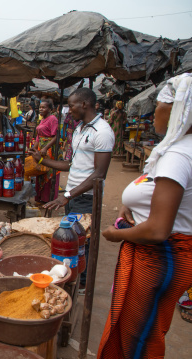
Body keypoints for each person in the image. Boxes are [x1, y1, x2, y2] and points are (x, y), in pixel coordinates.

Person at [98, 73, 192, 359]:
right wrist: (134, 206)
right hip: (167, 254)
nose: (152, 114)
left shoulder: (179, 156)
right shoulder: (179, 150)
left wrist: (117, 235)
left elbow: (157, 231)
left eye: (160, 105)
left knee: (139, 334)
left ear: (179, 109)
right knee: (139, 327)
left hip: (159, 257)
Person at [29, 88, 114, 292]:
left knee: (83, 241)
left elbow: (99, 174)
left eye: (71, 105)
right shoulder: (80, 129)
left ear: (84, 104)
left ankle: (82, 283)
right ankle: (74, 279)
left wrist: (67, 195)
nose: (68, 110)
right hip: (73, 195)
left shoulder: (102, 131)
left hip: (85, 197)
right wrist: (42, 160)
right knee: (72, 241)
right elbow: (71, 165)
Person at [31, 99, 59, 203]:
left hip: (49, 150)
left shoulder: (53, 119)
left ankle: (48, 199)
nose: (41, 109)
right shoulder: (42, 119)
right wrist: (34, 148)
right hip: (41, 149)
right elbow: (38, 136)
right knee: (40, 171)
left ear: (50, 109)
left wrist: (45, 148)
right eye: (40, 107)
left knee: (49, 172)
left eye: (44, 107)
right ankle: (41, 198)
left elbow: (56, 136)